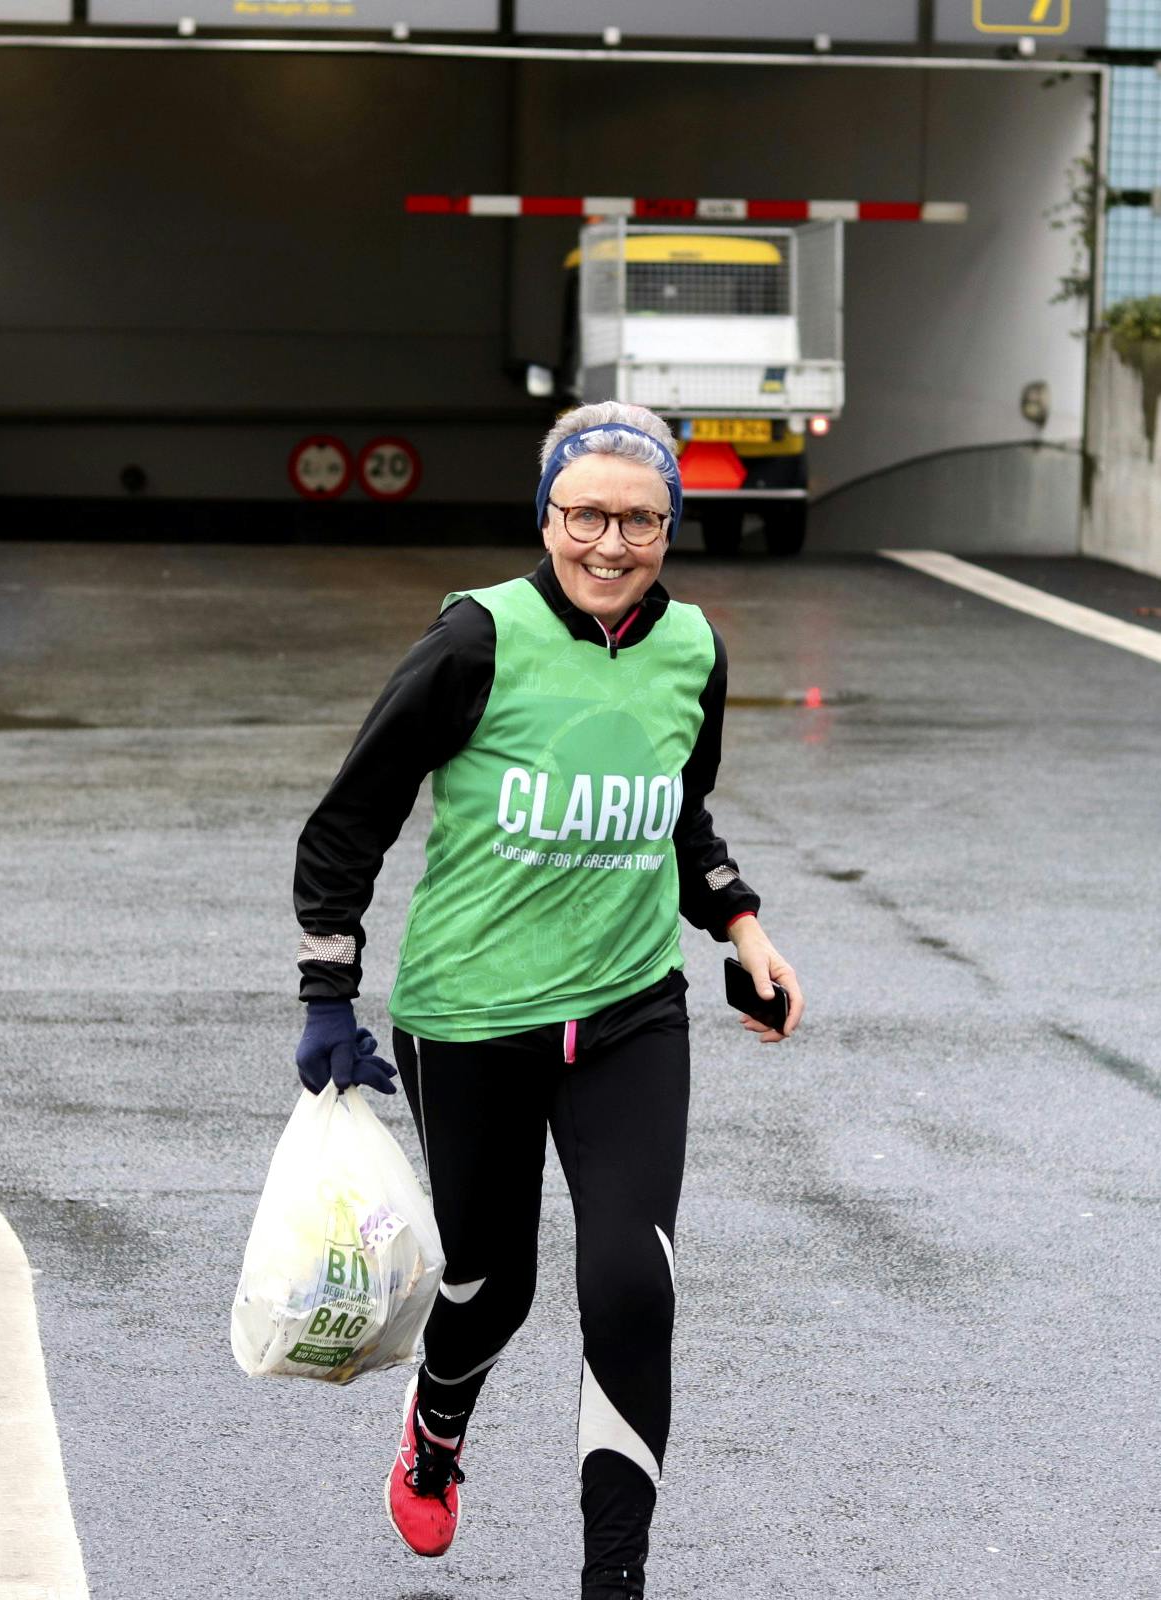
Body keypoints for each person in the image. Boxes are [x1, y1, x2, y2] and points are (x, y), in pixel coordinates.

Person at [291, 400, 805, 1600]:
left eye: (639, 518)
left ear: (672, 521)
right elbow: (347, 821)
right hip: (471, 1017)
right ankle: (438, 1425)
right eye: (586, 515)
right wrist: (329, 995)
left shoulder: (695, 652)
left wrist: (740, 924)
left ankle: (613, 1579)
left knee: (633, 1284)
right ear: (548, 515)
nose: (611, 545)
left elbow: (676, 811)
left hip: (631, 1011)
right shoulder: (478, 640)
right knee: (491, 1283)